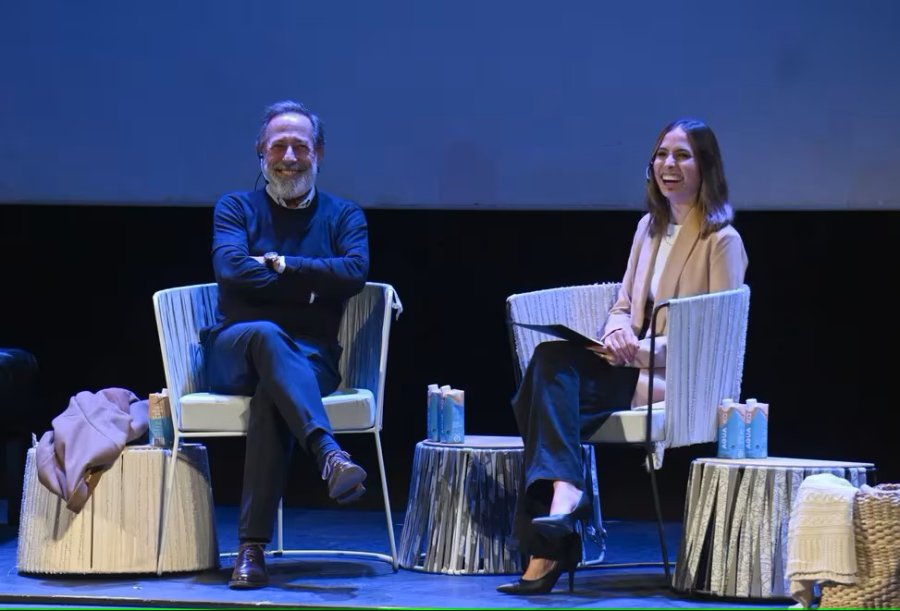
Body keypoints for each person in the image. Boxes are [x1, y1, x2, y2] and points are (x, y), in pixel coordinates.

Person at [498, 118, 748, 595]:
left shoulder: (722, 240)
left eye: (682, 155)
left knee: (537, 390)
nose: (668, 165)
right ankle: (561, 510)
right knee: (549, 366)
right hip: (630, 367)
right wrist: (615, 331)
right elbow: (622, 305)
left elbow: (717, 335)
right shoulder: (648, 229)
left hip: (684, 379)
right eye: (661, 155)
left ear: (706, 166)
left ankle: (550, 540)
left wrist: (640, 350)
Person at [203, 100, 370, 589]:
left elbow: (355, 273)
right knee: (268, 334)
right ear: (261, 152)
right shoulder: (236, 207)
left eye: (301, 146)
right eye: (279, 145)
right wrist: (315, 285)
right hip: (234, 348)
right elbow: (232, 268)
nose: (290, 156)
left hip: (311, 358)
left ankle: (250, 552)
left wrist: (282, 267)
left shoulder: (343, 216)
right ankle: (328, 454)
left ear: (318, 153)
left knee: (271, 398)